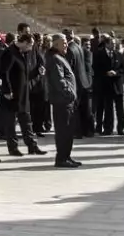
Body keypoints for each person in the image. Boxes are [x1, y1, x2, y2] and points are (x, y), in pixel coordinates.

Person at [45, 34, 81, 168]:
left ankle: (66, 156)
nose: (66, 45)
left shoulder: (59, 57)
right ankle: (61, 158)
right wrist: (70, 93)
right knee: (63, 130)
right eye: (64, 43)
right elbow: (59, 81)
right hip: (62, 101)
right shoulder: (54, 59)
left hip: (67, 100)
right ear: (55, 45)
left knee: (68, 129)